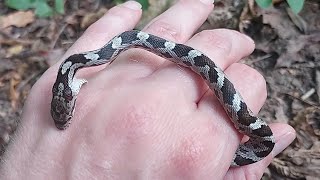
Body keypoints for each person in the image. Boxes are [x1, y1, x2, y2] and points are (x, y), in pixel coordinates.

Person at [0, 1, 295, 179]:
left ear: (71, 90)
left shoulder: (81, 64)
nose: (65, 121)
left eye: (66, 113)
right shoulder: (74, 68)